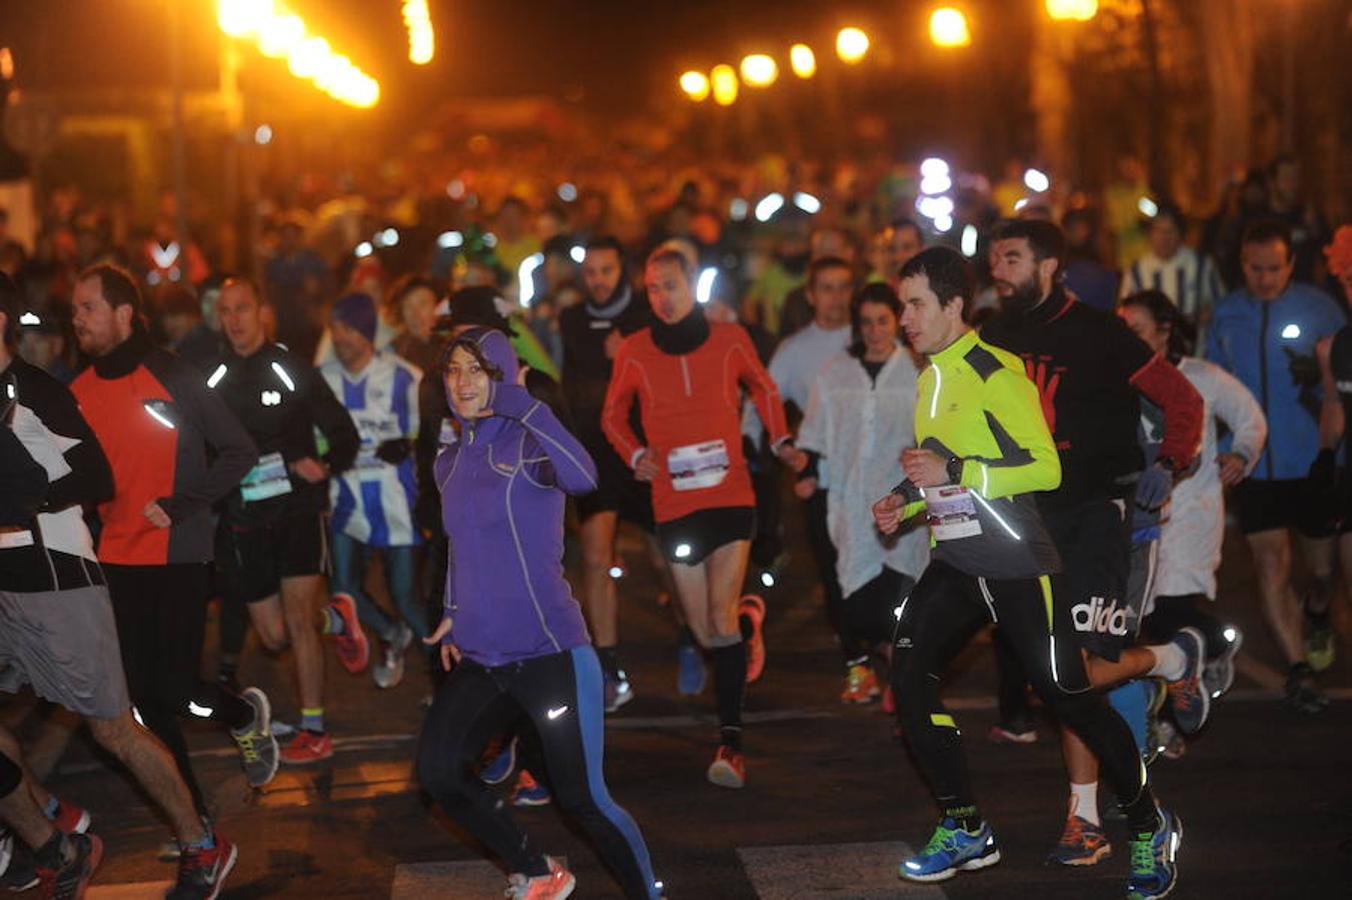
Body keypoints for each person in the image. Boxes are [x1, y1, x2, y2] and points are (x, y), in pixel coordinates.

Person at [872, 246, 1180, 898]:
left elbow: (1044, 467)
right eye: (904, 305)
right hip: (957, 561)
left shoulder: (997, 373)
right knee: (908, 676)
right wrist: (907, 500)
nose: (906, 318)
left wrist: (955, 472)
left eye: (916, 304)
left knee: (1069, 696)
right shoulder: (930, 378)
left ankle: (1149, 823)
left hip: (1016, 563)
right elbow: (942, 463)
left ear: (954, 306)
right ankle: (965, 825)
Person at [7, 270, 247, 897]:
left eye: (89, 308)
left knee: (170, 692)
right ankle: (194, 827)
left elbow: (237, 450)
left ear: (124, 313)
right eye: (75, 309)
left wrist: (184, 504)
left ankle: (241, 716)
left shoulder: (174, 374)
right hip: (113, 557)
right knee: (143, 700)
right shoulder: (78, 390)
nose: (77, 319)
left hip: (177, 551)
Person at [979, 220, 1206, 869]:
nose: (998, 269)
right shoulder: (994, 334)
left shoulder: (1104, 333)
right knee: (1055, 677)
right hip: (1028, 519)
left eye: (1012, 258)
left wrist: (1171, 460)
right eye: (994, 258)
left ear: (1049, 265)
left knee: (1072, 670)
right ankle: (1169, 659)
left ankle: (1084, 818)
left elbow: (1183, 400)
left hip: (1098, 517)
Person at [418, 327, 663, 900]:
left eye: (478, 370)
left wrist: (524, 405)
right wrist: (454, 609)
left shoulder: (529, 443)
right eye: (453, 370)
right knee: (439, 773)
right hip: (483, 657)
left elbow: (585, 477)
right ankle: (534, 869)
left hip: (550, 654)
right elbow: (460, 543)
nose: (462, 382)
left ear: (503, 375)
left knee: (583, 799)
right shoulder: (448, 460)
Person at [603, 248, 797, 789]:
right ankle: (749, 621)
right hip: (674, 502)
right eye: (653, 288)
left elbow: (764, 387)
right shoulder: (635, 350)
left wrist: (779, 439)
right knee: (705, 631)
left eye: (671, 284)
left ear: (692, 284)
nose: (662, 297)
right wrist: (635, 455)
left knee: (718, 619)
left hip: (730, 495)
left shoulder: (730, 338)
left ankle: (730, 745)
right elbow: (612, 415)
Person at [209, 277, 366, 761]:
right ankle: (334, 617)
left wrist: (325, 463)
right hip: (246, 516)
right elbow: (198, 447)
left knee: (296, 621)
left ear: (262, 312)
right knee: (274, 636)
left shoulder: (290, 369)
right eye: (226, 311)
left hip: (297, 509)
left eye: (242, 308)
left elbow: (344, 433)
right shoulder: (212, 379)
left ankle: (314, 729)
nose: (235, 319)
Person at [1205, 219, 1345, 712]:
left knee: (1322, 572)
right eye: (1255, 268)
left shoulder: (1321, 309)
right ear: (1242, 265)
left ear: (1291, 265)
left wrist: (1320, 385)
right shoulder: (1226, 315)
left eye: (1274, 268)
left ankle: (1318, 611)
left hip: (1313, 460)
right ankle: (1298, 669)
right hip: (1254, 465)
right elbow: (1212, 386)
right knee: (1271, 561)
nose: (1264, 278)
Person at [1118, 291, 1264, 702]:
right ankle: (1202, 659)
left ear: (1164, 331)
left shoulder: (1203, 377)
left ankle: (1204, 659)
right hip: (1140, 517)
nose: (1127, 340)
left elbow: (1250, 418)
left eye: (1137, 330)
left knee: (1170, 610)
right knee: (1146, 616)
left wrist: (1241, 454)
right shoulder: (1119, 381)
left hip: (1191, 514)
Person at [796, 282, 928, 704]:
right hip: (852, 499)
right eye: (866, 322)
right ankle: (868, 663)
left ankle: (901, 676)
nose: (874, 331)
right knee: (854, 594)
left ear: (897, 321)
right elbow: (815, 431)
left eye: (882, 321)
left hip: (903, 498)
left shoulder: (917, 370)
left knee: (901, 591)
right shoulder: (836, 372)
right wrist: (808, 470)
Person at [749, 257, 862, 700]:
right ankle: (856, 659)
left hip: (874, 471)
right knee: (834, 569)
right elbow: (763, 398)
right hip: (823, 474)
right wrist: (770, 444)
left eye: (843, 287)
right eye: (827, 288)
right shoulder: (796, 349)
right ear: (811, 295)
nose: (836, 297)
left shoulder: (871, 336)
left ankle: (885, 649)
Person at [559, 236, 661, 710]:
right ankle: (609, 665)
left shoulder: (647, 314)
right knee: (596, 560)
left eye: (606, 270)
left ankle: (692, 636)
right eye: (591, 272)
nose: (598, 280)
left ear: (624, 272)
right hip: (595, 454)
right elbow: (575, 381)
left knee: (669, 560)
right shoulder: (571, 319)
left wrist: (630, 351)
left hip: (641, 454)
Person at [320, 292, 427, 689]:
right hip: (345, 502)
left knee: (406, 597)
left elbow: (435, 431)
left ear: (366, 333)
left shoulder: (406, 377)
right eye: (335, 329)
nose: (339, 337)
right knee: (343, 592)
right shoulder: (323, 380)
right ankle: (390, 632)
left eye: (348, 329)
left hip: (398, 505)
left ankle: (448, 680)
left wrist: (409, 444)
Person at [1119, 204, 1224, 327]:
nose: (1164, 237)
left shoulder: (1201, 264)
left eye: (1170, 231)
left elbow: (1222, 304)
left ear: (1181, 233)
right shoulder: (1136, 271)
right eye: (1158, 230)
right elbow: (1123, 313)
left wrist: (1207, 315)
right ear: (1150, 234)